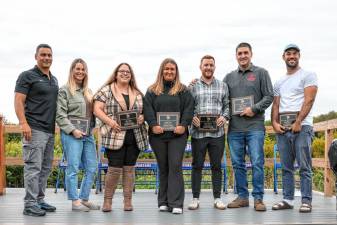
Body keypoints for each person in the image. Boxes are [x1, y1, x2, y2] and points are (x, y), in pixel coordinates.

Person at [224, 42, 273, 211]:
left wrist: (254, 109)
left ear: (251, 54)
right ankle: (242, 197)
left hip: (255, 127)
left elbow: (269, 96)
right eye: (240, 53)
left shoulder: (261, 73)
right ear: (236, 56)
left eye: (246, 53)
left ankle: (258, 199)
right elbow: (223, 100)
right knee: (238, 164)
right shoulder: (228, 77)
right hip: (235, 129)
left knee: (257, 162)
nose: (243, 56)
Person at [93, 63, 148, 212]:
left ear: (131, 75)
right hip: (114, 135)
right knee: (113, 169)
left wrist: (143, 117)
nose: (125, 74)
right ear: (116, 74)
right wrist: (111, 122)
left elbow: (145, 111)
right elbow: (97, 109)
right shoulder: (106, 90)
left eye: (128, 72)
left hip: (135, 136)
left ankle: (127, 201)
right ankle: (107, 201)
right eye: (121, 71)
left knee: (129, 169)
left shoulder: (137, 92)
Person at [271, 44, 318, 213]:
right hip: (283, 128)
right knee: (286, 167)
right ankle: (288, 200)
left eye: (295, 54)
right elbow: (276, 104)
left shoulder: (308, 75)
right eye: (288, 54)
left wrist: (298, 122)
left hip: (302, 127)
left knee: (304, 166)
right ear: (283, 57)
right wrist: (274, 123)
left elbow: (309, 100)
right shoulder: (279, 81)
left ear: (299, 56)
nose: (292, 56)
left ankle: (306, 201)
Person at [144, 58, 194, 214]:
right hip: (157, 136)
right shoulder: (152, 90)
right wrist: (153, 125)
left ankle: (176, 203)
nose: (169, 71)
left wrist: (183, 124)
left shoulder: (183, 90)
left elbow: (189, 108)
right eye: (166, 69)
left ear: (176, 72)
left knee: (175, 165)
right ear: (161, 71)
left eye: (172, 69)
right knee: (163, 167)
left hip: (177, 135)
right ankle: (163, 201)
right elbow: (147, 109)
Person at [14, 44, 58, 216]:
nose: (46, 58)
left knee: (45, 167)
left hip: (49, 131)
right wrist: (23, 123)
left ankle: (39, 200)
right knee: (33, 168)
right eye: (43, 55)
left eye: (49, 55)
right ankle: (30, 204)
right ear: (36, 57)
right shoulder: (27, 76)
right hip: (34, 128)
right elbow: (18, 101)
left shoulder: (53, 79)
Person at [56, 58, 99, 212]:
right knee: (73, 167)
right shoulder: (64, 90)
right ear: (72, 71)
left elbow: (94, 113)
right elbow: (60, 115)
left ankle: (84, 199)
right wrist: (73, 130)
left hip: (88, 135)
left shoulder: (89, 91)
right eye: (77, 69)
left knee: (92, 167)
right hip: (71, 134)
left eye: (83, 69)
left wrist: (95, 127)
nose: (80, 72)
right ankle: (75, 202)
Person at [187, 55, 229, 210]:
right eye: (206, 65)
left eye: (211, 65)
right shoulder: (192, 86)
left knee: (216, 166)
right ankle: (195, 198)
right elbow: (187, 107)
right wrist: (192, 117)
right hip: (198, 134)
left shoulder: (223, 86)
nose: (208, 67)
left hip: (217, 134)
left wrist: (224, 117)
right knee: (196, 166)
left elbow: (227, 106)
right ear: (200, 67)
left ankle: (217, 198)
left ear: (214, 67)